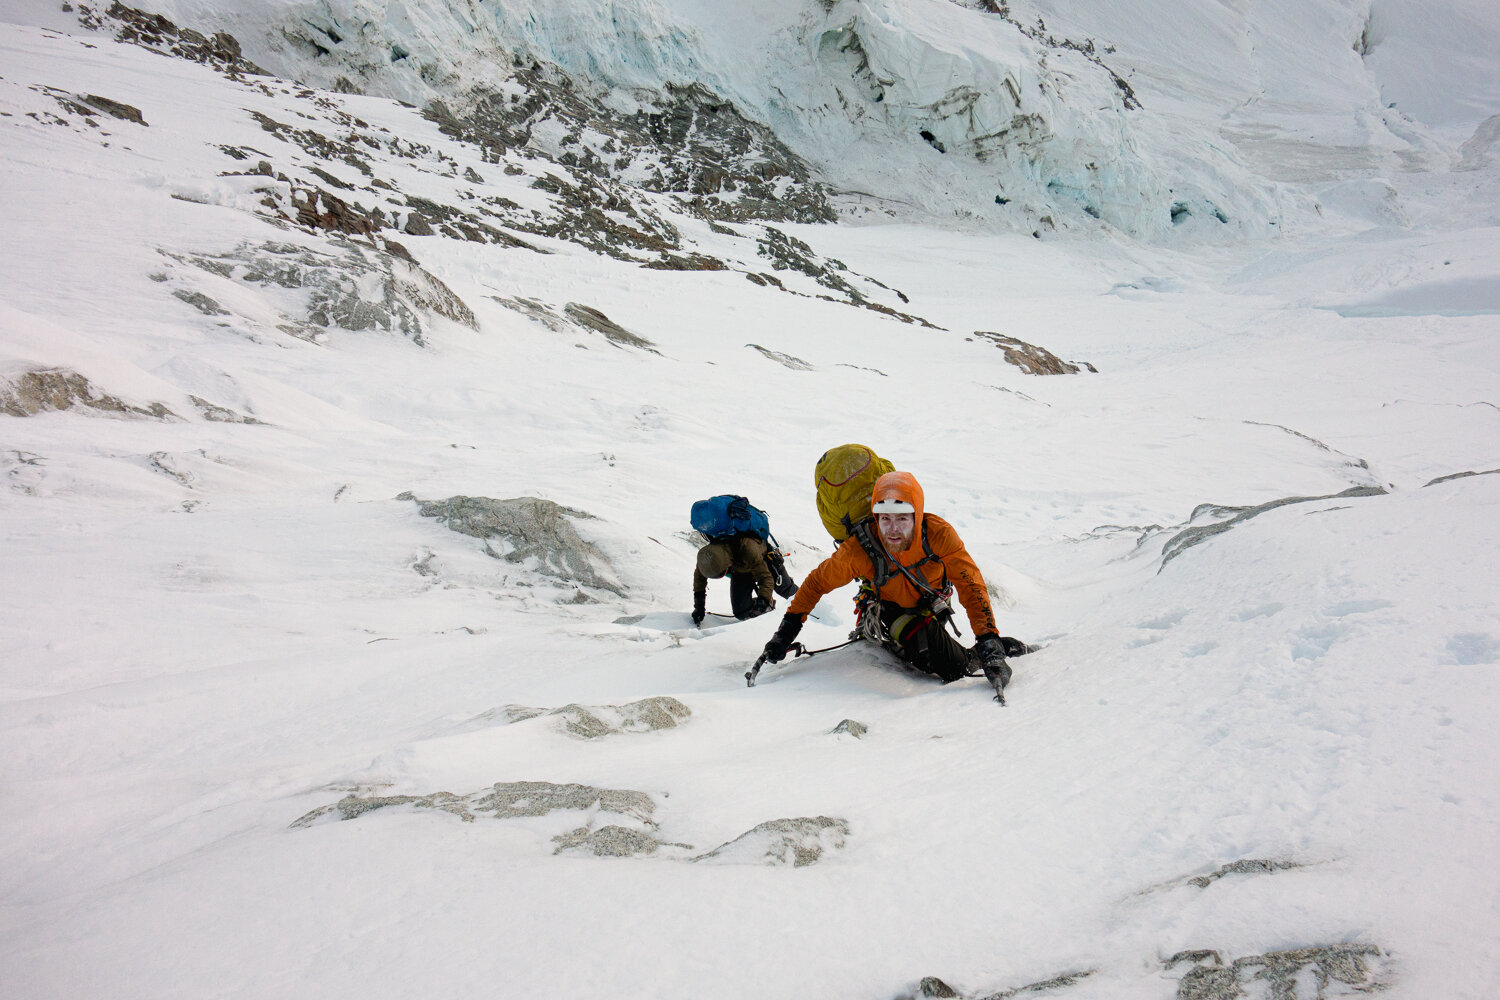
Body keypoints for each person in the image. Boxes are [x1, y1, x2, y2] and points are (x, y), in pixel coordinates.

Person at [760, 470, 1019, 695]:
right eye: (885, 518)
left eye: (902, 518)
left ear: (917, 516)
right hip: (892, 609)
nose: (892, 529)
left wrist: (987, 638)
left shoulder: (938, 534)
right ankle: (978, 654)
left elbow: (970, 584)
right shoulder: (860, 550)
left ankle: (994, 647)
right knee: (944, 664)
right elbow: (817, 583)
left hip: (934, 600)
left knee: (938, 651)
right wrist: (785, 634)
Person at [693, 534, 798, 626]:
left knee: (787, 591)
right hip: (740, 569)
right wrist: (699, 607)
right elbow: (699, 579)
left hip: (764, 561)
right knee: (741, 611)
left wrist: (762, 603)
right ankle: (762, 613)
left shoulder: (748, 548)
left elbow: (766, 578)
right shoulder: (706, 558)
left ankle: (811, 608)